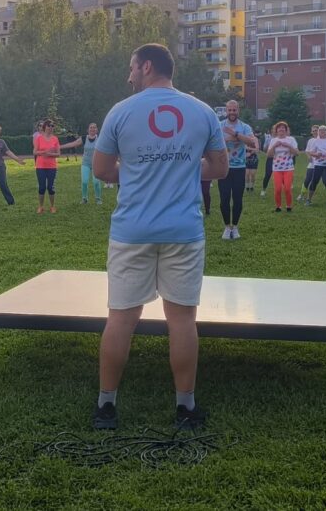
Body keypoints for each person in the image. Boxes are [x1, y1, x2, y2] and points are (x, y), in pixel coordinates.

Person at [91, 43, 227, 431]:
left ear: (147, 67)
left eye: (131, 67)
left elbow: (101, 170)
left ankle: (106, 407)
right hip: (183, 231)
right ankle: (185, 408)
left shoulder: (120, 111)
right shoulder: (202, 112)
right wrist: (181, 168)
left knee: (121, 318)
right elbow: (218, 168)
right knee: (182, 320)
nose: (128, 75)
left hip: (131, 230)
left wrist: (135, 171)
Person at [218, 100, 257, 239]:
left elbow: (252, 142)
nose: (232, 113)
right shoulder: (220, 125)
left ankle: (235, 226)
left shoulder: (244, 126)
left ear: (238, 111)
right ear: (226, 111)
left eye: (234, 110)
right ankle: (227, 227)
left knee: (237, 199)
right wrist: (239, 138)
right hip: (224, 167)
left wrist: (235, 135)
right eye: (230, 110)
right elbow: (216, 141)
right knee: (224, 199)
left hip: (240, 167)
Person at [34, 119, 70, 214]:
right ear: (44, 127)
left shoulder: (55, 139)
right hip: (40, 166)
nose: (51, 127)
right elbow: (35, 152)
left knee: (50, 187)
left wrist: (50, 154)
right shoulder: (39, 138)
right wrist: (44, 152)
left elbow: (58, 154)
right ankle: (41, 206)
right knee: (42, 187)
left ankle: (52, 206)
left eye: (52, 126)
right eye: (49, 126)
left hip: (52, 166)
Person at [267, 121, 299, 212]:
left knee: (287, 188)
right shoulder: (273, 140)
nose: (281, 129)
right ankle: (278, 206)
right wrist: (274, 146)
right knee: (277, 189)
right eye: (279, 128)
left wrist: (288, 146)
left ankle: (289, 206)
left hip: (288, 168)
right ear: (276, 130)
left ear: (286, 130)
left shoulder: (291, 139)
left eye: (283, 128)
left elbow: (297, 153)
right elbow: (269, 155)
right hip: (276, 168)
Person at [305, 125, 326, 207]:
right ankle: (309, 200)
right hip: (318, 164)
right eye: (320, 130)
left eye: (324, 130)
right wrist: (316, 154)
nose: (322, 132)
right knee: (314, 181)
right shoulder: (316, 141)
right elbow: (310, 152)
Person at [79, 123, 104, 204]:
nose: (92, 129)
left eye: (94, 127)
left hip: (96, 163)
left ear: (97, 130)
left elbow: (108, 147)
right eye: (91, 127)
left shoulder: (100, 139)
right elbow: (72, 144)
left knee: (96, 182)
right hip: (85, 163)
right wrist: (60, 146)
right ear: (88, 129)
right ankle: (84, 198)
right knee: (84, 182)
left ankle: (98, 198)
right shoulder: (83, 138)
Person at [297, 125, 320, 201]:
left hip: (322, 164)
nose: (314, 132)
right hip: (312, 164)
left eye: (316, 130)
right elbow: (307, 151)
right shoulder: (310, 141)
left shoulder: (323, 140)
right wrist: (309, 156)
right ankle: (301, 194)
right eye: (313, 131)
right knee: (308, 179)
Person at [259, 127, 274, 197]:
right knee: (268, 174)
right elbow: (264, 149)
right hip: (270, 159)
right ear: (271, 131)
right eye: (273, 129)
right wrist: (268, 143)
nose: (274, 131)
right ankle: (263, 189)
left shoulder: (282, 139)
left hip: (280, 159)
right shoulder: (269, 139)